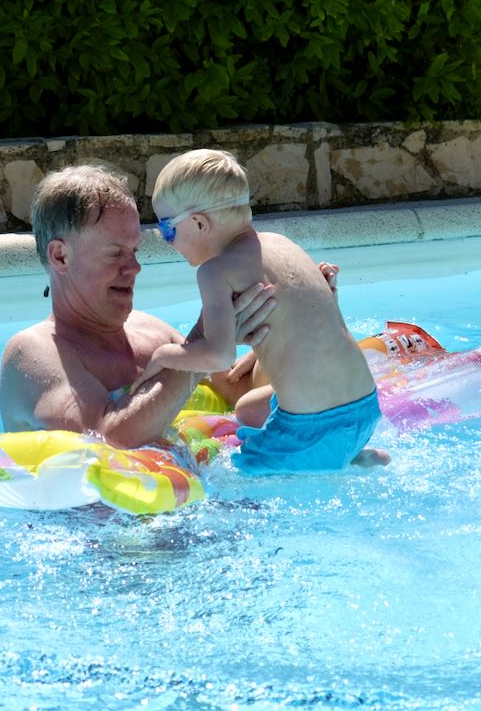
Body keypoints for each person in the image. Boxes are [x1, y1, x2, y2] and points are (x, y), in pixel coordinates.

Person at [131, 149, 390, 472]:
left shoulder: (214, 272)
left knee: (231, 479)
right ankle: (357, 456)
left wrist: (163, 356)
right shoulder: (281, 244)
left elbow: (219, 357)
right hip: (364, 407)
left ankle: (333, 457)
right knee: (247, 408)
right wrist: (257, 353)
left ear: (199, 223)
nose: (167, 241)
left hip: (310, 427)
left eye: (168, 229)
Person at [0, 164, 280, 451]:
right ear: (60, 256)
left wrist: (279, 338)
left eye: (134, 251)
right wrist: (203, 340)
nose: (134, 267)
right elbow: (111, 437)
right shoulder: (32, 353)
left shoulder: (153, 333)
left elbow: (236, 390)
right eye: (115, 253)